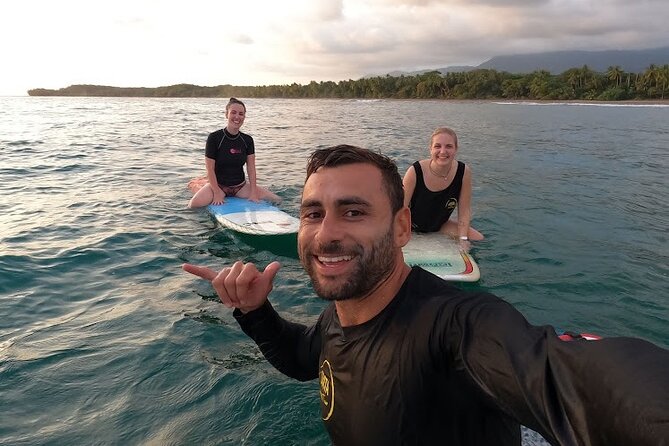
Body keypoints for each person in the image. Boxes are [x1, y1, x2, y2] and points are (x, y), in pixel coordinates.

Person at [183, 145, 669, 445]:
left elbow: (569, 375)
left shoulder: (458, 327)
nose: (326, 233)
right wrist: (254, 311)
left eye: (353, 212)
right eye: (313, 213)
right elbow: (304, 357)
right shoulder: (340, 318)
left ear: (400, 227)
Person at [188, 98, 280, 208]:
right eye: (233, 112)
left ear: (244, 117)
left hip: (240, 187)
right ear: (226, 114)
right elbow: (210, 169)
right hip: (218, 187)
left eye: (241, 114)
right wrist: (216, 193)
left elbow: (251, 169)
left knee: (277, 199)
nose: (237, 117)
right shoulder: (214, 138)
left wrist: (253, 192)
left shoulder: (247, 140)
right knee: (193, 206)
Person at [403, 127, 484, 250]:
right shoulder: (415, 171)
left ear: (456, 149)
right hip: (411, 226)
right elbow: (400, 208)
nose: (443, 151)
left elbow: (464, 211)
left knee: (478, 238)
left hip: (440, 225)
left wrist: (463, 239)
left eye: (449, 146)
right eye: (437, 146)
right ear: (430, 149)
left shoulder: (463, 172)